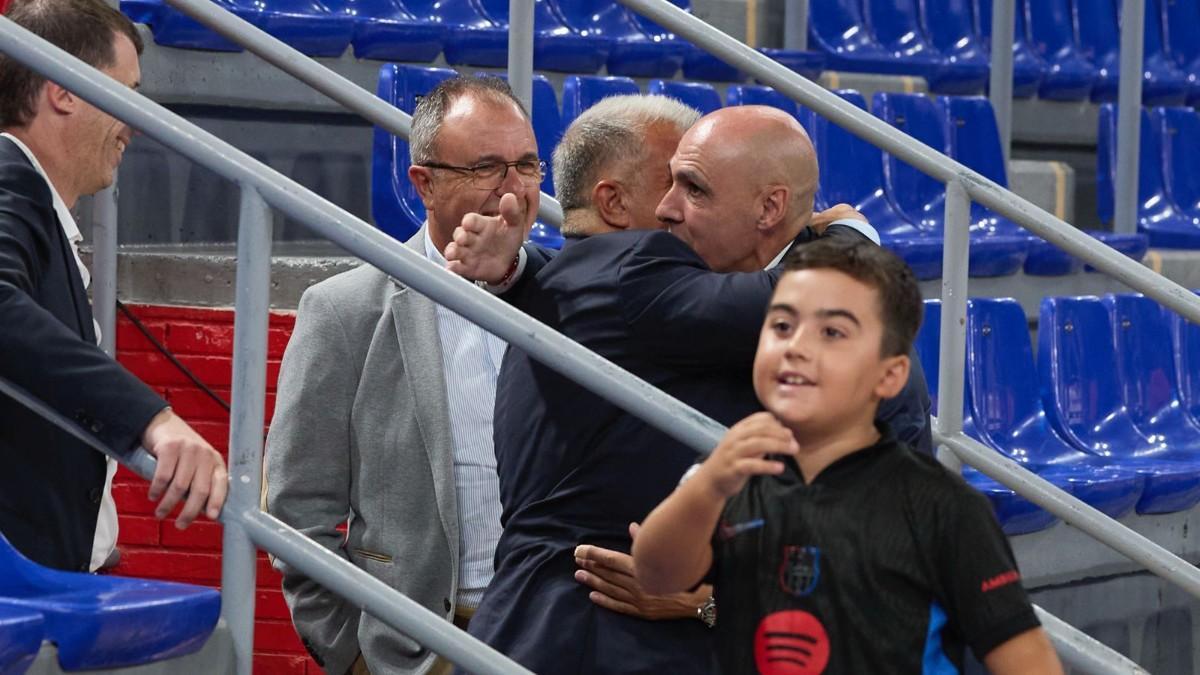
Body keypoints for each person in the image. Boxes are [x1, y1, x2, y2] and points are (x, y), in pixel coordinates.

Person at [447, 105, 931, 673]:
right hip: (578, 637)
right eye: (668, 180)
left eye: (694, 187)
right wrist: (853, 234)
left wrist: (710, 602)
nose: (668, 208)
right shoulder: (643, 279)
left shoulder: (835, 352)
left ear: (768, 208)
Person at [632, 238, 1062, 674]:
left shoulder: (942, 506)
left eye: (832, 333)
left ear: (889, 375)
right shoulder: (726, 476)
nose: (796, 347)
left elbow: (1029, 662)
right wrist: (707, 488)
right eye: (781, 325)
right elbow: (655, 576)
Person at [0, 0, 227, 574]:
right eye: (124, 94)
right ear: (64, 91)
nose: (134, 123)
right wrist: (153, 419)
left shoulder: (33, 199)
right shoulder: (8, 177)